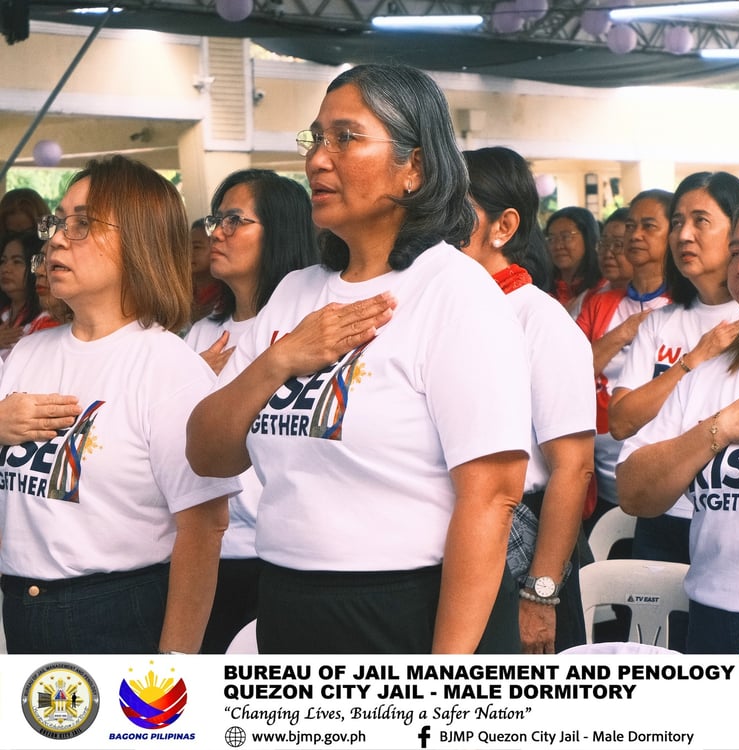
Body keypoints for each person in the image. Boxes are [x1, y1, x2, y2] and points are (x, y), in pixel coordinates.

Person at [187, 63, 532, 655]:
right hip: (290, 602)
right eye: (316, 138)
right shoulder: (295, 293)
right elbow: (208, 454)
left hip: (409, 608)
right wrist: (280, 359)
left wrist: (445, 678)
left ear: (414, 167)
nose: (318, 159)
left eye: (345, 138)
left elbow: (492, 496)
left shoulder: (453, 292)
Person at [0, 155, 240, 654]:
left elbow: (204, 526)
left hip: (117, 616)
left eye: (82, 224)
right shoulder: (28, 352)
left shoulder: (167, 366)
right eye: (57, 223)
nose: (57, 239)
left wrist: (174, 667)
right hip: (20, 606)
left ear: (140, 240)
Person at [617, 190, 739, 654]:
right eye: (737, 251)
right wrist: (719, 428)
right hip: (713, 617)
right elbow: (634, 492)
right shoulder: (708, 375)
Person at [462, 146, 595, 654]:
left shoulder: (538, 319)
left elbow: (573, 468)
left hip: (524, 544)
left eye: (456, 209)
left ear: (504, 226)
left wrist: (540, 594)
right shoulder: (442, 312)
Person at [185, 169, 317, 653]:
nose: (216, 234)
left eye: (234, 221)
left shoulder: (306, 331)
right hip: (207, 548)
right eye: (215, 220)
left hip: (279, 553)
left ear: (280, 229)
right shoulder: (203, 333)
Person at [610, 172, 739, 563]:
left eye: (700, 221)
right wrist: (693, 361)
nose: (683, 235)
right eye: (676, 222)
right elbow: (621, 422)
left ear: (736, 231)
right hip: (661, 513)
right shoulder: (660, 323)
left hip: (733, 516)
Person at [577, 189, 673, 535]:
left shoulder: (684, 305)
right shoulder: (600, 303)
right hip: (598, 476)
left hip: (662, 477)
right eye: (631, 226)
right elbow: (571, 372)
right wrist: (625, 331)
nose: (635, 235)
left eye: (649, 226)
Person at [544, 206, 602, 317]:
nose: (558, 246)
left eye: (566, 237)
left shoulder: (601, 289)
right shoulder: (543, 289)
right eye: (551, 239)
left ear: (588, 238)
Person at [0, 231, 43, 358]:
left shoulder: (48, 321)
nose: (5, 269)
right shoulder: (4, 313)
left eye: (17, 262)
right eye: (3, 261)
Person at [189, 217, 224, 324]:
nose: (188, 253)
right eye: (186, 247)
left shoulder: (224, 300)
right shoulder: (180, 294)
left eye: (196, 247)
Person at [597, 207, 633, 291]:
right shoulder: (591, 297)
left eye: (618, 245)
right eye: (604, 244)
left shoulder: (659, 298)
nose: (608, 254)